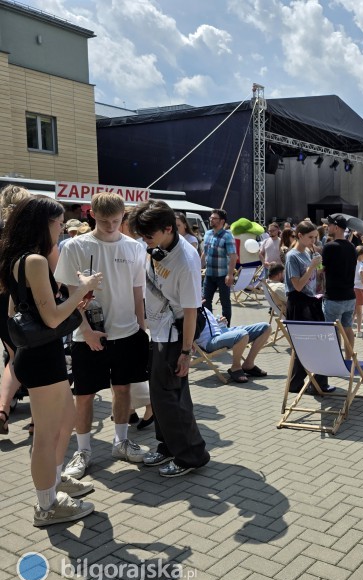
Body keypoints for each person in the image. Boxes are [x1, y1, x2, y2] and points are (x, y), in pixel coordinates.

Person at [0, 195, 102, 526]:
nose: (61, 229)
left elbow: (18, 312)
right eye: (59, 223)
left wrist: (68, 303)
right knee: (46, 434)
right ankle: (46, 505)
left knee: (65, 419)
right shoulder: (34, 260)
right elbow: (53, 318)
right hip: (42, 359)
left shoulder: (17, 258)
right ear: (44, 224)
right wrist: (81, 289)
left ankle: (55, 481)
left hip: (40, 355)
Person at [55, 192, 150, 480]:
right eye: (105, 221)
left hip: (127, 332)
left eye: (117, 221)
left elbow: (137, 292)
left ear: (123, 218)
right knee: (84, 395)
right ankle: (83, 450)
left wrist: (141, 329)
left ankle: (121, 442)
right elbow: (70, 294)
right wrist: (85, 330)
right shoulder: (75, 246)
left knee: (122, 389)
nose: (111, 226)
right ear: (92, 215)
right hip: (87, 335)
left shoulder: (135, 247)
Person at [130, 200, 210, 478]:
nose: (144, 240)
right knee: (160, 394)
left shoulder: (185, 261)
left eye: (148, 235)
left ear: (168, 228)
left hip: (176, 333)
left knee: (171, 396)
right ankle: (168, 446)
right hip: (159, 330)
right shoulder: (157, 246)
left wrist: (186, 352)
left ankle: (192, 454)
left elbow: (191, 311)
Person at [285, 220, 335, 394]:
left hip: (311, 301)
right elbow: (298, 286)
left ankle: (304, 383)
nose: (314, 241)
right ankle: (313, 384)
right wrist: (312, 266)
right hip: (299, 303)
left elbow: (314, 277)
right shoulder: (292, 256)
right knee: (307, 344)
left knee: (315, 343)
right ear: (300, 235)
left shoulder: (307, 252)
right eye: (310, 237)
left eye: (315, 237)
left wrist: (319, 267)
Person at [0, 184, 30, 436]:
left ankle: (2, 410)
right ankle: (37, 421)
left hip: (1, 300)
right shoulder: (30, 233)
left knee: (12, 357)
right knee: (30, 357)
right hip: (26, 301)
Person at [196, 307, 270, 383]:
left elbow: (210, 324)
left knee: (266, 327)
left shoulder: (202, 307)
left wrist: (219, 321)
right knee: (242, 335)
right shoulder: (190, 310)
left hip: (222, 331)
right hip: (210, 341)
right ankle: (235, 367)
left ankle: (248, 364)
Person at [321, 214, 357, 354]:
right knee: (348, 328)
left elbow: (321, 269)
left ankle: (336, 360)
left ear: (336, 227)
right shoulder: (352, 247)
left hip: (334, 297)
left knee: (333, 330)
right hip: (350, 295)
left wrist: (316, 262)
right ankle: (348, 359)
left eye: (329, 225)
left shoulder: (329, 247)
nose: (327, 227)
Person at [201, 208, 237, 325]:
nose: (211, 220)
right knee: (205, 301)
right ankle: (210, 325)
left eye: (214, 218)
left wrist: (230, 275)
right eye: (210, 218)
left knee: (225, 303)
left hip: (223, 275)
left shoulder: (227, 236)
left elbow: (233, 256)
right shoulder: (207, 234)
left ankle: (226, 327)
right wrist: (198, 267)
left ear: (222, 221)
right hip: (209, 274)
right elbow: (205, 252)